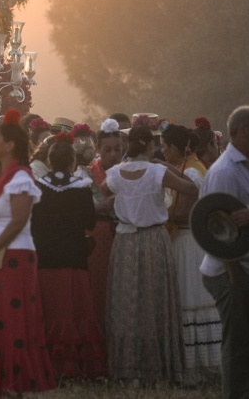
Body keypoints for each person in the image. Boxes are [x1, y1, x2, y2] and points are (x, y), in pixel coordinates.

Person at [0, 108, 55, 395]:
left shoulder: (21, 176)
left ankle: (16, 382)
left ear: (9, 145)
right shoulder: (0, 176)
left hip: (14, 256)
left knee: (12, 320)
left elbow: (18, 220)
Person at [101, 122, 198, 385]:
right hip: (154, 240)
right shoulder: (157, 172)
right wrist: (166, 166)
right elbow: (192, 188)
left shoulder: (115, 173)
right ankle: (158, 366)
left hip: (125, 242)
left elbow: (98, 195)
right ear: (151, 145)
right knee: (155, 302)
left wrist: (116, 205)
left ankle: (127, 366)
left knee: (128, 303)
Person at [30, 132, 104, 378]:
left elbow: (33, 224)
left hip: (46, 258)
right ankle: (75, 367)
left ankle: (49, 365)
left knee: (51, 310)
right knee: (75, 311)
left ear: (49, 161)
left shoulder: (38, 187)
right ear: (72, 162)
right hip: (74, 258)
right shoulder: (81, 188)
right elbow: (90, 222)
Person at [161, 123, 222, 382]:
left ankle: (195, 367)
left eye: (164, 147)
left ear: (175, 148)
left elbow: (188, 215)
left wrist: (159, 215)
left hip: (188, 242)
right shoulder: (190, 167)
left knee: (190, 301)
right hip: (190, 242)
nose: (163, 152)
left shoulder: (192, 171)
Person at [198, 105, 249, 399]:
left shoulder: (244, 166)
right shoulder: (225, 172)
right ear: (244, 132)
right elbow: (215, 231)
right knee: (238, 343)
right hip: (230, 271)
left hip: (242, 268)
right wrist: (234, 276)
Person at [85, 119, 122, 330]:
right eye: (107, 150)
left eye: (118, 149)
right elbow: (77, 212)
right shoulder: (86, 173)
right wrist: (100, 207)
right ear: (98, 149)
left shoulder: (129, 171)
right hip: (97, 239)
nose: (113, 154)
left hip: (124, 239)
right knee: (98, 289)